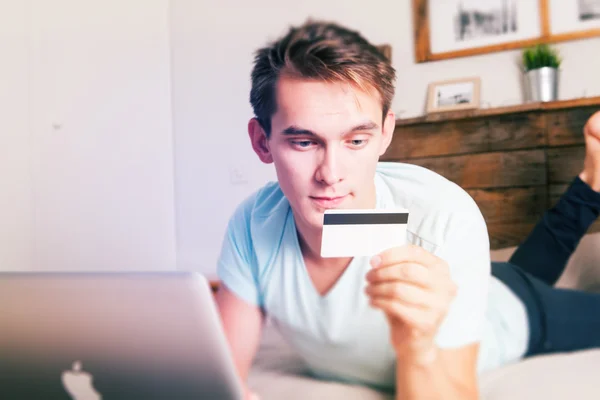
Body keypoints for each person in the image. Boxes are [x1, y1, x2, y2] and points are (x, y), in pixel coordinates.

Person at [213, 19, 600, 400]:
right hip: (487, 275)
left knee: (525, 281)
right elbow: (223, 375)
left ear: (385, 134)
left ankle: (590, 186)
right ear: (262, 141)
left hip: (515, 310)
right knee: (523, 267)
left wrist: (418, 343)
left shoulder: (444, 214)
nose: (330, 174)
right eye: (303, 142)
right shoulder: (253, 223)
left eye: (357, 140)